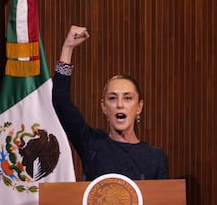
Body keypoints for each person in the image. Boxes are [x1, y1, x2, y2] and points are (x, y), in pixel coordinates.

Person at [52, 25, 169, 181]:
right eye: (112, 98)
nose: (120, 104)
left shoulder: (156, 158)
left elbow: (163, 203)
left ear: (139, 107)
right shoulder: (92, 144)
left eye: (127, 98)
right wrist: (67, 49)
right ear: (104, 107)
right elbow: (61, 101)